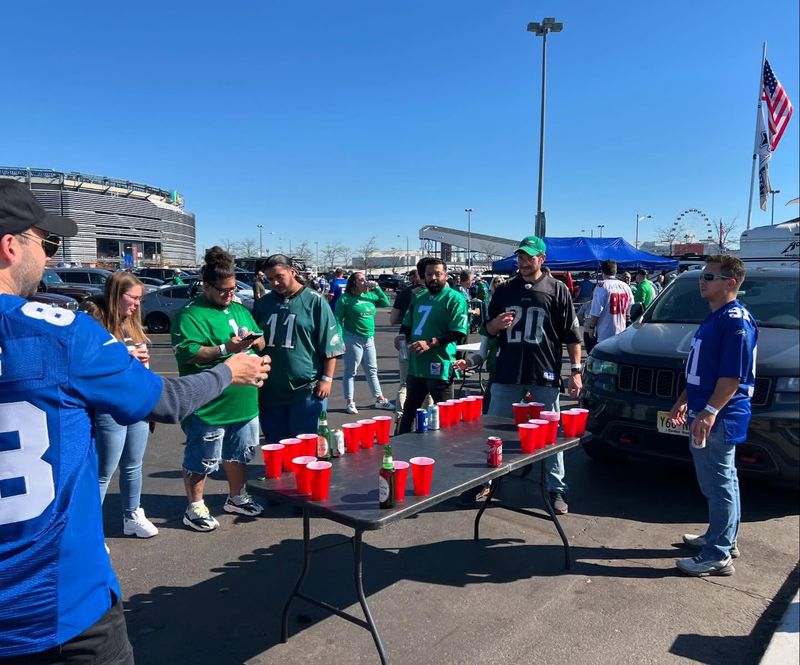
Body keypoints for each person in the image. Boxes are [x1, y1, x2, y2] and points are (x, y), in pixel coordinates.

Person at [0, 179, 269, 662]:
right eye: (47, 242)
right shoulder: (60, 334)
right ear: (10, 245)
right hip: (58, 609)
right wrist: (230, 371)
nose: (49, 257)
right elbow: (164, 400)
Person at [669, 255, 757, 577]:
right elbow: (701, 370)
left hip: (719, 416)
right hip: (705, 409)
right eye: (703, 276)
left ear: (730, 283)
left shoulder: (735, 321)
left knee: (718, 483)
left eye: (709, 277)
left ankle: (717, 554)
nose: (702, 282)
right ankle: (722, 537)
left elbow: (732, 378)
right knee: (724, 480)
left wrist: (708, 412)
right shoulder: (716, 317)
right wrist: (682, 400)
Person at [482, 235, 582, 514]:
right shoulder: (504, 290)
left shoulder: (557, 289)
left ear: (542, 258)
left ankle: (556, 487)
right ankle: (488, 481)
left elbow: (572, 336)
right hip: (508, 371)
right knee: (494, 430)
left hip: (544, 372)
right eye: (520, 257)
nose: (523, 262)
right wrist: (495, 325)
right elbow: (487, 330)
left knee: (551, 434)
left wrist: (575, 372)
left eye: (529, 257)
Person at [172, 246, 268, 532]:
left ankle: (237, 497)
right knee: (202, 456)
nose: (230, 294)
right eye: (224, 290)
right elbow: (189, 353)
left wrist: (253, 344)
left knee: (240, 452)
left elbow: (260, 340)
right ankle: (195, 507)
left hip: (245, 401)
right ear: (206, 285)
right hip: (210, 404)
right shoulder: (190, 314)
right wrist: (226, 347)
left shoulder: (239, 309)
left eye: (233, 288)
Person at [93, 272, 159, 538]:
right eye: (133, 298)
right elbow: (90, 363)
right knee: (103, 471)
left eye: (140, 299)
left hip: (137, 404)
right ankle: (90, 532)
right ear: (116, 295)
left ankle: (132, 514)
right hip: (110, 406)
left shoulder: (132, 324)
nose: (137, 305)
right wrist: (124, 354)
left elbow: (145, 366)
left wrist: (151, 403)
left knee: (133, 464)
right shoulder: (96, 324)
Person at [254, 254, 345, 442]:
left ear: (292, 272)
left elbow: (329, 344)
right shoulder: (264, 303)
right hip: (271, 389)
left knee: (306, 448)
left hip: (305, 389)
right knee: (276, 446)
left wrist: (326, 379)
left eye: (279, 277)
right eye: (270, 279)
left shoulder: (315, 301)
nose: (275, 283)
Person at [396, 258, 469, 434]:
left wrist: (430, 343)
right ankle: (402, 452)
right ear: (424, 276)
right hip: (416, 365)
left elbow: (458, 332)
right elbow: (406, 324)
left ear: (446, 275)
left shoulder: (455, 298)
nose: (433, 278)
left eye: (438, 273)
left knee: (444, 416)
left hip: (440, 365)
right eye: (429, 274)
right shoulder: (419, 297)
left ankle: (445, 455)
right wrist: (401, 336)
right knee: (409, 413)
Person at [335, 271, 394, 414]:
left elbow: (385, 302)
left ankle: (380, 399)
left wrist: (377, 288)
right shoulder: (346, 299)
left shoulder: (369, 296)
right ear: (354, 282)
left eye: (365, 279)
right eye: (361, 280)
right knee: (351, 371)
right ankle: (350, 402)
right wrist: (340, 340)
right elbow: (338, 320)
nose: (365, 282)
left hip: (369, 339)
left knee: (372, 370)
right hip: (353, 338)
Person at [390, 267, 426, 419]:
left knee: (405, 383)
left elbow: (393, 319)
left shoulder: (405, 293)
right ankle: (425, 418)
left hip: (405, 339)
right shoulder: (432, 295)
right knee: (426, 384)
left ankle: (400, 417)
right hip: (424, 342)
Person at [585, 259, 634, 344]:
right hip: (622, 330)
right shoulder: (625, 286)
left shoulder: (602, 286)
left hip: (605, 332)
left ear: (602, 271)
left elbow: (596, 311)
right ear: (615, 271)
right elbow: (631, 309)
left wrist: (591, 327)